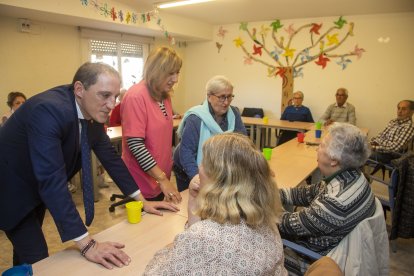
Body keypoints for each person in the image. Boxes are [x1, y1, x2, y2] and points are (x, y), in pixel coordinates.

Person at [0, 62, 178, 269]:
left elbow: (111, 159)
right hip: (10, 189)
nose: (112, 104)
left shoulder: (90, 113)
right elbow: (52, 180)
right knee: (39, 259)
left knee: (24, 257)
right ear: (79, 89)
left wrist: (142, 201)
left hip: (34, 186)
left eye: (115, 96)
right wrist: (86, 244)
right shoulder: (48, 111)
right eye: (104, 95)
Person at [144, 133, 287, 275]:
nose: (199, 167)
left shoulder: (203, 237)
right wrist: (194, 200)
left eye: (204, 162)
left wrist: (170, 250)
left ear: (218, 179)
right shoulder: (265, 217)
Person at [278, 123, 375, 273]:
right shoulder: (351, 175)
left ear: (334, 160)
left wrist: (262, 200)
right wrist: (276, 193)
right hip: (330, 249)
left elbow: (284, 224)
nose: (317, 149)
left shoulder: (336, 202)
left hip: (309, 259)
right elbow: (306, 193)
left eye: (322, 146)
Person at [121, 46, 182, 203]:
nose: (175, 79)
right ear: (156, 71)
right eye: (170, 73)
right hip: (141, 181)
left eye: (177, 73)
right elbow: (135, 145)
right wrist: (161, 179)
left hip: (159, 177)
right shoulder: (136, 96)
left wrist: (163, 178)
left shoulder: (165, 96)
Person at [173, 75, 247, 191]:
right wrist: (197, 178)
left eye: (229, 96)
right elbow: (186, 152)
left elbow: (243, 143)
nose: (226, 102)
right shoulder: (195, 118)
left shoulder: (234, 113)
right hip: (187, 166)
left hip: (215, 165)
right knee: (193, 199)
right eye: (222, 97)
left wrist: (256, 166)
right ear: (209, 96)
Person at [370, 100, 414, 164]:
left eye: (404, 109)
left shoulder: (409, 127)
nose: (399, 111)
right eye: (398, 108)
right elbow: (381, 136)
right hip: (381, 150)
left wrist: (375, 147)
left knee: (357, 154)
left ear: (411, 112)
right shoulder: (393, 121)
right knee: (356, 150)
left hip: (391, 156)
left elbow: (395, 148)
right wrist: (372, 143)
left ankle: (356, 173)